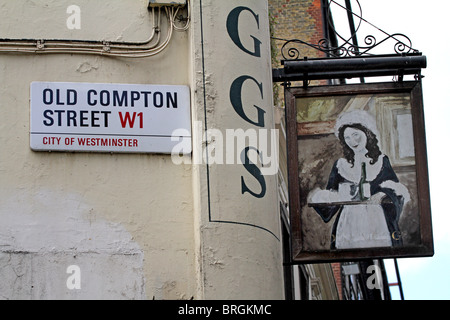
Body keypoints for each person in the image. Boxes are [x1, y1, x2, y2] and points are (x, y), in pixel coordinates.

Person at [309, 110, 410, 249]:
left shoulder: (381, 161)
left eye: (355, 134)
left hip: (376, 221)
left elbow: (396, 192)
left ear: (366, 133)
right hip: (349, 222)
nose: (353, 141)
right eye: (347, 138)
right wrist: (331, 197)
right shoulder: (341, 165)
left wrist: (383, 194)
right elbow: (330, 201)